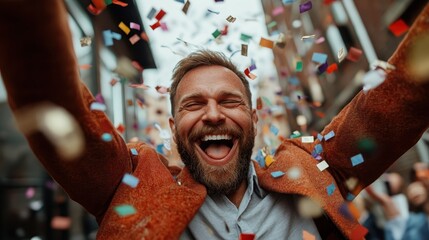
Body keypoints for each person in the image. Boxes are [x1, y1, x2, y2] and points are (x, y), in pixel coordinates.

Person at [1, 1, 429, 239]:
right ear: (172, 127)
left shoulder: (314, 172)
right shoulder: (131, 186)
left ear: (254, 117)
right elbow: (51, 96)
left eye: (229, 101)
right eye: (192, 105)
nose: (212, 114)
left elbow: (403, 99)